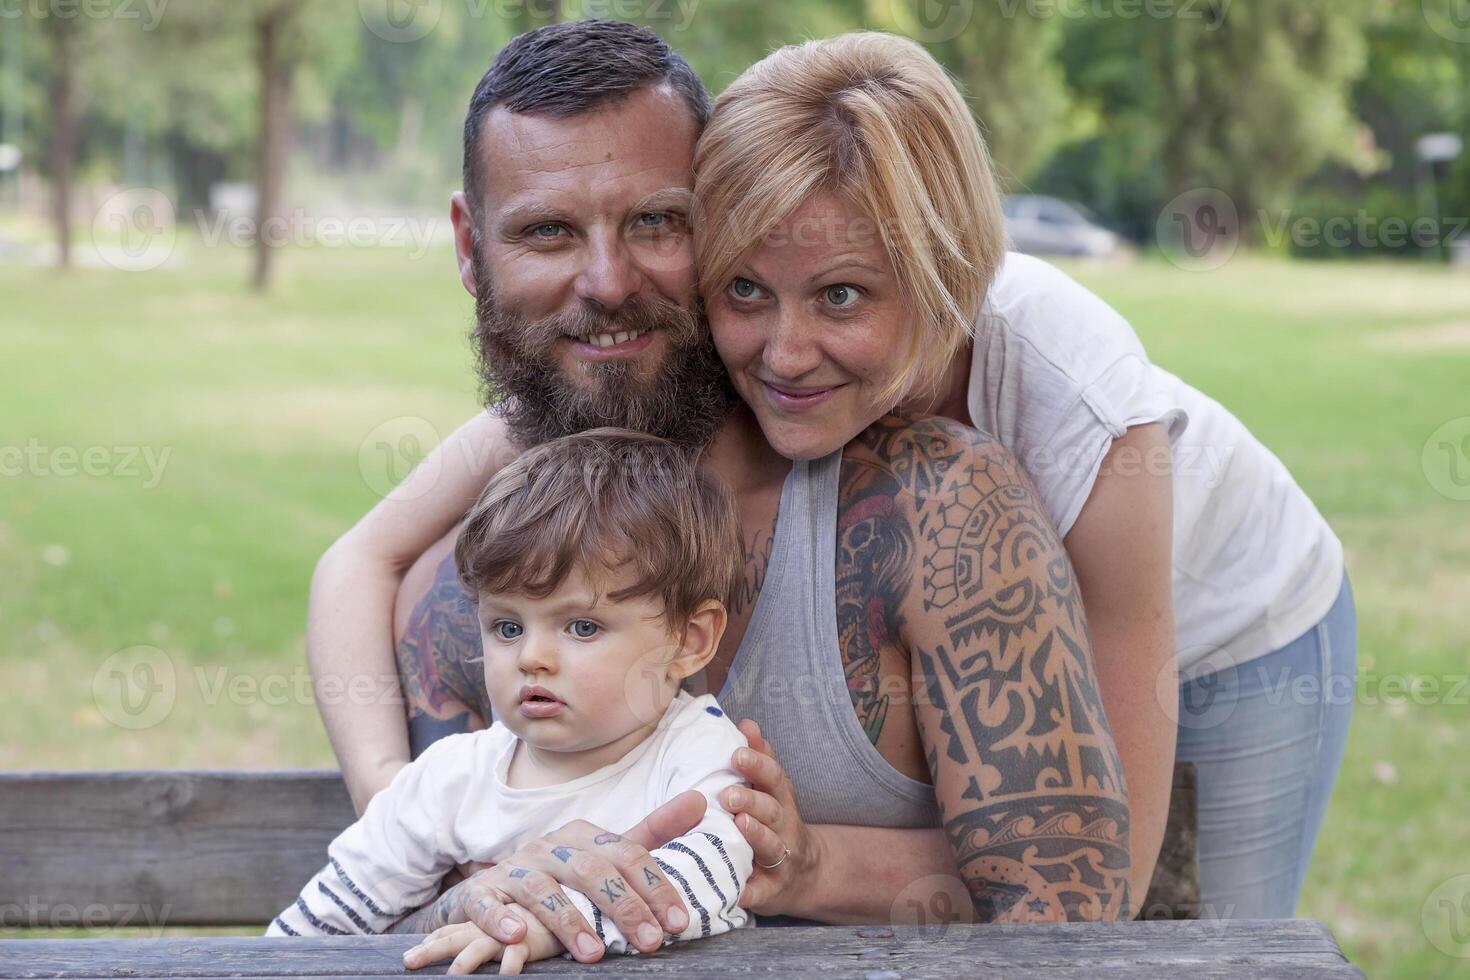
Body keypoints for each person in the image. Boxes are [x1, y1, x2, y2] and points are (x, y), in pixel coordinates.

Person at [310, 19, 1131, 963]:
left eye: (657, 221)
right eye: (548, 231)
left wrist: (812, 867)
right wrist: (477, 895)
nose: (608, 282)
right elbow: (402, 907)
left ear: (720, 218)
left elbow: (1071, 917)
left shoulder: (942, 514)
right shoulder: (481, 585)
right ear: (470, 248)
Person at [270, 431, 754, 976]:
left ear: (689, 639)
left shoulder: (699, 752)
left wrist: (555, 923)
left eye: (582, 626)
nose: (533, 657)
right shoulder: (450, 779)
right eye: (506, 626)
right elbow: (315, 926)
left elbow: (707, 875)